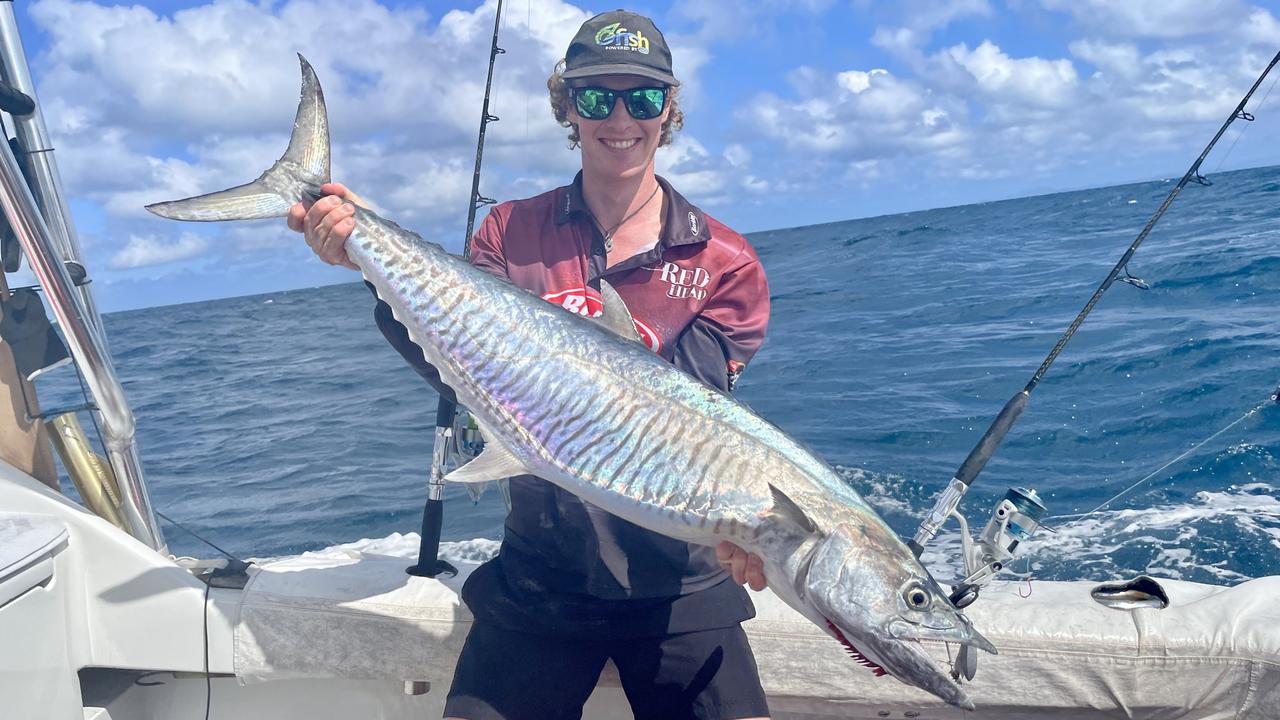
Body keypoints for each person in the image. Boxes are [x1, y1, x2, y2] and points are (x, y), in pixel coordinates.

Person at [289, 10, 772, 720]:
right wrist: (366, 256)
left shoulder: (725, 263)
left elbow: (685, 434)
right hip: (539, 577)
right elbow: (461, 367)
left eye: (641, 98)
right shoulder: (509, 233)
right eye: (595, 96)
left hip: (681, 588)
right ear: (566, 107)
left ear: (668, 110)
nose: (620, 117)